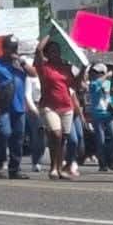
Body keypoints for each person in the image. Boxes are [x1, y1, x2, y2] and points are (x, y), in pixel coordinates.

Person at [0, 36, 31, 180]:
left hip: (19, 107)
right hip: (3, 106)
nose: (12, 51)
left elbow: (34, 74)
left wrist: (21, 62)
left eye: (15, 48)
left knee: (18, 138)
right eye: (10, 48)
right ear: (3, 48)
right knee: (4, 133)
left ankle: (14, 169)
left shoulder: (20, 64)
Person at [35, 39, 80, 180]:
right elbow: (38, 50)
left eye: (57, 50)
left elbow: (74, 85)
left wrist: (84, 69)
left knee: (62, 140)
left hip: (66, 106)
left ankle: (60, 168)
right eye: (52, 51)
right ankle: (53, 167)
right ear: (47, 53)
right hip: (49, 106)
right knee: (56, 134)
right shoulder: (44, 67)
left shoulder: (66, 67)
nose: (55, 53)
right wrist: (49, 32)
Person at [86, 63, 113, 173]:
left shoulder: (107, 83)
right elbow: (95, 86)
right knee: (101, 140)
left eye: (98, 72)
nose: (95, 74)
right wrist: (106, 75)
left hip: (109, 114)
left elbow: (110, 96)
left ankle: (110, 158)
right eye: (94, 72)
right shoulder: (92, 84)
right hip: (97, 115)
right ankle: (102, 163)